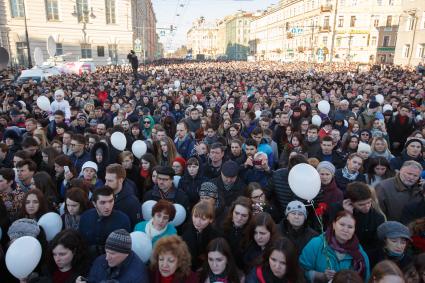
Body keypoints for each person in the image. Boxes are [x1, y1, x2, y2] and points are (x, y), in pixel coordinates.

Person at [299, 210, 370, 282]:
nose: (345, 229)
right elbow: (300, 271)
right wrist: (320, 276)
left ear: (354, 230)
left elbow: (366, 279)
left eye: (350, 227)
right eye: (342, 224)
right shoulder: (316, 244)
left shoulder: (359, 253)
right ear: (334, 225)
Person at [76, 229, 149, 283]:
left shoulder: (138, 275)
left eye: (112, 253)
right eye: (106, 251)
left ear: (126, 253)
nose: (107, 258)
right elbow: (93, 279)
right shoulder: (99, 261)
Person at [78, 186, 131, 257]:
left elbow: (125, 249)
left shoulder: (123, 220)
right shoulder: (85, 217)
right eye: (102, 202)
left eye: (111, 201)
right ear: (94, 204)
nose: (107, 206)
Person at [343, 182, 385, 266]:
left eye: (369, 202)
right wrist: (348, 215)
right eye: (361, 204)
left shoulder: (377, 217)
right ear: (350, 202)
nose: (367, 207)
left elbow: (377, 246)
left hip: (366, 258)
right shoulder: (337, 211)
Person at [182, 200, 220, 271]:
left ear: (211, 220)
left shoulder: (215, 235)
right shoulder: (185, 229)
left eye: (203, 219)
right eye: (195, 216)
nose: (197, 222)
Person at [104, 163, 141, 228]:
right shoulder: (101, 194)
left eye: (110, 181)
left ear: (120, 180)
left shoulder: (132, 202)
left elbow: (136, 225)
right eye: (106, 180)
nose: (106, 184)